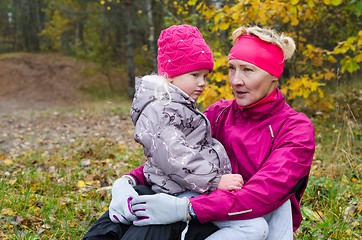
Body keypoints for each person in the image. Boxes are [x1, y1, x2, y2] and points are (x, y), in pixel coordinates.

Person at [84, 25, 315, 240]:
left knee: (153, 226)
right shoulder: (219, 113)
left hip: (241, 222)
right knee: (120, 220)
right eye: (231, 69)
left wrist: (185, 209)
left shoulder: (295, 129)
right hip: (205, 207)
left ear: (274, 76)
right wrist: (127, 182)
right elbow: (175, 155)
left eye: (248, 71)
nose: (236, 81)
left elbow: (262, 194)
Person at [83, 24, 244, 240]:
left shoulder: (178, 105)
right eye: (195, 75)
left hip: (182, 187)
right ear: (170, 75)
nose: (202, 83)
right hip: (173, 191)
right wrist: (215, 180)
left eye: (205, 76)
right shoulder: (161, 109)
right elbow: (174, 155)